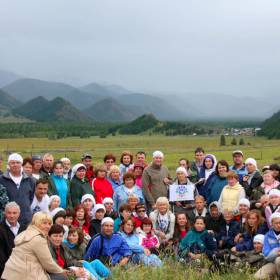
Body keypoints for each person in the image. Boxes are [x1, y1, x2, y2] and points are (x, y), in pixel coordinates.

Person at [2, 211, 66, 280]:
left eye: (50, 223)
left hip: (9, 274)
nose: (48, 226)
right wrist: (62, 271)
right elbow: (48, 263)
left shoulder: (25, 233)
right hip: (23, 276)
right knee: (62, 277)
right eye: (44, 223)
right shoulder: (38, 239)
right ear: (36, 223)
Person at [0, 153, 35, 224]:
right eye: (12, 162)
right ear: (8, 164)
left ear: (21, 164)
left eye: (18, 162)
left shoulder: (30, 180)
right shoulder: (1, 179)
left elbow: (30, 198)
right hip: (7, 220)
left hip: (25, 220)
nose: (15, 165)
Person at [0, 202, 27, 276]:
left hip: (24, 268)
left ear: (19, 213)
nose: (12, 216)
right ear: (5, 213)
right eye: (9, 213)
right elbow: (1, 255)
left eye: (14, 213)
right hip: (6, 271)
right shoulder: (1, 229)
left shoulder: (24, 228)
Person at [254, 213, 280, 279]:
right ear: (272, 224)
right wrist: (276, 251)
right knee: (257, 277)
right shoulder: (267, 236)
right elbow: (266, 255)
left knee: (278, 260)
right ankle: (276, 274)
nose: (279, 225)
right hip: (272, 263)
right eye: (276, 223)